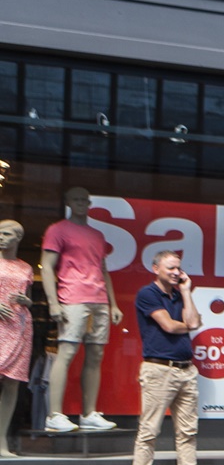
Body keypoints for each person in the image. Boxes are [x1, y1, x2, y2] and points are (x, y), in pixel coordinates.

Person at [130, 251, 216, 465]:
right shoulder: (147, 294)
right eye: (171, 268)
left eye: (178, 267)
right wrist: (190, 325)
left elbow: (193, 321)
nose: (176, 272)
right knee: (149, 430)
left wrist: (187, 292)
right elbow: (169, 325)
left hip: (186, 370)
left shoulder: (180, 294)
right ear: (156, 268)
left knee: (188, 431)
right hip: (159, 370)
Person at [41, 185, 121, 433]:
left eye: (83, 200)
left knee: (96, 354)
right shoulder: (57, 230)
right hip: (72, 296)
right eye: (75, 199)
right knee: (66, 352)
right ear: (67, 202)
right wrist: (53, 302)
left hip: (98, 299)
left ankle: (89, 413)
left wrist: (114, 303)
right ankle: (54, 414)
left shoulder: (97, 235)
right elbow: (46, 266)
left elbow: (103, 270)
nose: (80, 203)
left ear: (89, 203)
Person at [0, 219, 33, 456]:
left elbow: (28, 297)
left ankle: (1, 440)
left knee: (11, 385)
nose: (1, 237)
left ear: (18, 237)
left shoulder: (26, 268)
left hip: (19, 326)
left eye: (7, 233)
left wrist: (26, 302)